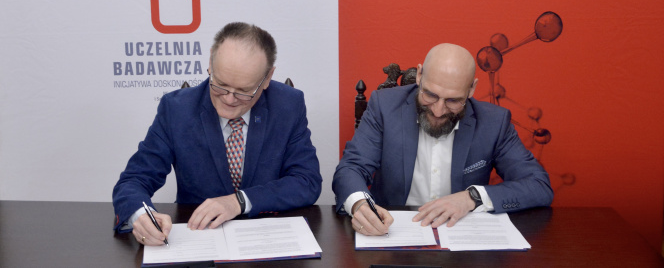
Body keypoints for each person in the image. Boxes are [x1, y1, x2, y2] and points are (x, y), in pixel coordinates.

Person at [113, 22, 322, 245]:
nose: (229, 99)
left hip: (268, 239)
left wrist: (239, 201)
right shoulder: (177, 110)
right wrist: (141, 216)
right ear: (210, 63)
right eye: (220, 84)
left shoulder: (288, 105)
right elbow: (134, 180)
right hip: (199, 239)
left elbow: (306, 181)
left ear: (267, 78)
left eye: (244, 91)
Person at [332, 43, 553, 236]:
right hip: (393, 234)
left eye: (453, 101)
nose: (438, 111)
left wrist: (472, 198)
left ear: (472, 89)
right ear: (420, 75)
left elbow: (538, 185)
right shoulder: (384, 106)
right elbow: (351, 168)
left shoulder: (494, 122)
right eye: (430, 95)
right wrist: (360, 205)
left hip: (462, 241)